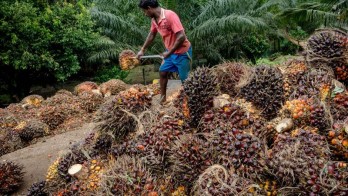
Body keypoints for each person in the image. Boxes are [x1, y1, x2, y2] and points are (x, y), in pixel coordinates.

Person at [136, 0, 192, 104]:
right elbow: (152, 34)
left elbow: (181, 36)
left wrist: (169, 52)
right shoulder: (154, 20)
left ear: (149, 8)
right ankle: (163, 99)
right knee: (163, 72)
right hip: (170, 52)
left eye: (144, 11)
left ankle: (189, 102)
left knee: (185, 80)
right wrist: (142, 50)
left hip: (182, 52)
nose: (145, 14)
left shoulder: (170, 15)